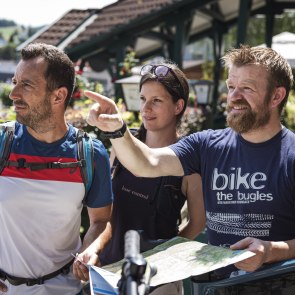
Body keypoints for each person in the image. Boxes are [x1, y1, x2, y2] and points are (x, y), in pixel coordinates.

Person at [85, 45, 295, 293]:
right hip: (215, 288)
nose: (234, 96)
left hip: (278, 285)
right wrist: (117, 129)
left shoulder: (290, 155)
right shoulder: (206, 145)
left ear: (276, 96)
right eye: (230, 87)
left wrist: (271, 251)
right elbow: (147, 162)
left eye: (247, 88)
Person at [73, 62, 206, 295]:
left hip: (158, 281)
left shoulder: (189, 160)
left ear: (178, 106)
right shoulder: (122, 145)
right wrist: (93, 249)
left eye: (157, 101)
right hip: (110, 272)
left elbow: (197, 223)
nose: (146, 108)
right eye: (143, 99)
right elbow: (108, 216)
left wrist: (165, 256)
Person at [0, 43, 113, 295]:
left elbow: (101, 220)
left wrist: (91, 250)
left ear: (58, 96)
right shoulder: (1, 142)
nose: (13, 93)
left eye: (26, 85)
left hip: (65, 289)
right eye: (15, 81)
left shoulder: (91, 153)